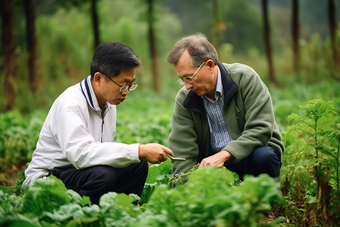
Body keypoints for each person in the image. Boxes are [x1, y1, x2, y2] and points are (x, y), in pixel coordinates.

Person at [23, 41, 173, 204]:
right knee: (103, 175)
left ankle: (120, 212)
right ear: (98, 78)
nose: (127, 92)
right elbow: (81, 155)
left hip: (81, 172)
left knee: (137, 165)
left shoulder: (109, 103)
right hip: (47, 179)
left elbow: (101, 153)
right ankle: (82, 217)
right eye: (123, 85)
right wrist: (138, 149)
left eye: (131, 85)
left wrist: (137, 154)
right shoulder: (70, 104)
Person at [167, 33, 284, 186]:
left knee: (264, 156)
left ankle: (262, 205)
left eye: (189, 77)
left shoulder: (245, 79)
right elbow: (183, 151)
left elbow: (260, 128)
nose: (187, 85)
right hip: (215, 168)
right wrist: (187, 190)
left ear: (209, 65)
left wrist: (224, 154)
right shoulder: (185, 99)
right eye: (182, 79)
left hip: (250, 156)